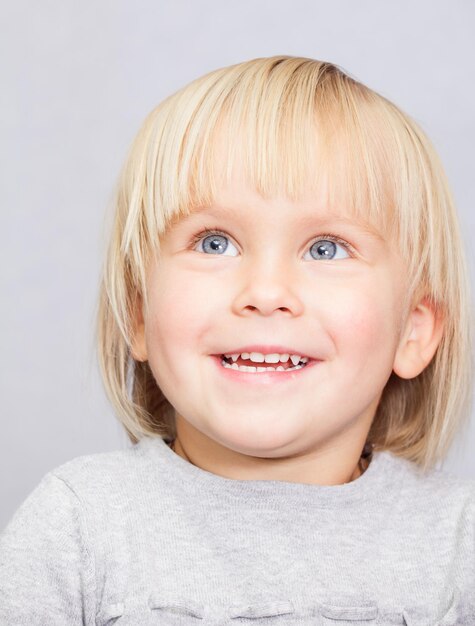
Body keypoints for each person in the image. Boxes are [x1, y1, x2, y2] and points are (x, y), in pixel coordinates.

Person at [0, 55, 474, 624]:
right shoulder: (78, 527)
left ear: (413, 330)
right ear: (139, 316)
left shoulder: (457, 545)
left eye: (326, 248)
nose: (266, 291)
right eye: (214, 242)